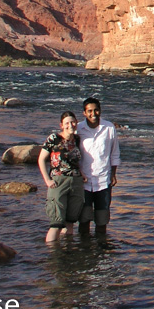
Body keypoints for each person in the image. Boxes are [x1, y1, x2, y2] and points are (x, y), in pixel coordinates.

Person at [38, 111, 85, 243]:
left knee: (70, 221)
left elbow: (75, 161)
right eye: (67, 123)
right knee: (56, 223)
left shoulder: (77, 139)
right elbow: (41, 160)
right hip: (58, 182)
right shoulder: (53, 138)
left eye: (73, 122)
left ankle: (67, 252)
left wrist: (82, 173)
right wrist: (47, 180)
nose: (70, 125)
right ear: (61, 125)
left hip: (76, 182)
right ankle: (52, 255)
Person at [78, 97, 120, 236]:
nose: (93, 114)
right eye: (89, 111)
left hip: (103, 181)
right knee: (84, 220)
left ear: (100, 110)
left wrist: (113, 174)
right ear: (84, 113)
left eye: (96, 110)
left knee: (102, 221)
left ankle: (101, 251)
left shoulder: (109, 128)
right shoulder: (78, 129)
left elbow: (114, 153)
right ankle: (85, 251)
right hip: (84, 183)